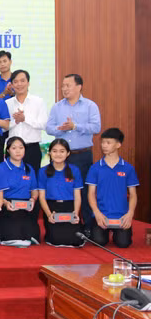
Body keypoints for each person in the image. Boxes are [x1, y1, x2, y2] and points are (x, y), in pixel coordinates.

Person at [46, 74, 101, 229]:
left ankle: (88, 226)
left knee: (83, 191)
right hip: (60, 158)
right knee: (60, 189)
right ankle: (63, 224)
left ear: (79, 86)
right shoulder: (57, 107)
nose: (64, 89)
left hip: (82, 155)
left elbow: (96, 127)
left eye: (68, 85)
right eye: (62, 86)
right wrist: (60, 129)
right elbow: (49, 128)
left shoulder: (90, 106)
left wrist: (75, 126)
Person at [87, 128, 138, 248]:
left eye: (108, 143)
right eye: (103, 142)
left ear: (118, 145)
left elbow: (133, 194)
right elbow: (91, 194)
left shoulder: (128, 168)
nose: (104, 146)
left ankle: (118, 234)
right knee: (99, 242)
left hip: (121, 216)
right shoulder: (95, 168)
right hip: (101, 215)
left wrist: (130, 214)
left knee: (123, 244)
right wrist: (97, 213)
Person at [39, 138, 84, 247]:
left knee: (75, 240)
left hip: (70, 207)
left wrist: (75, 213)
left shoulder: (75, 170)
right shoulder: (43, 171)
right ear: (50, 153)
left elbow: (77, 195)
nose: (58, 154)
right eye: (54, 151)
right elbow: (41, 197)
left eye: (62, 151)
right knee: (56, 240)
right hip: (52, 207)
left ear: (68, 153)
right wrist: (49, 215)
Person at [0, 136, 40, 248]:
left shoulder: (29, 168)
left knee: (32, 236)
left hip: (26, 206)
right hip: (7, 205)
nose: (18, 151)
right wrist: (5, 203)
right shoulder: (1, 168)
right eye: (14, 148)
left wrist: (32, 199)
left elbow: (34, 190)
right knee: (15, 235)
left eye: (21, 148)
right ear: (8, 150)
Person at [6, 70, 48, 175]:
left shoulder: (38, 101)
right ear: (11, 84)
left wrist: (25, 119)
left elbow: (43, 124)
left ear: (28, 83)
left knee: (32, 183)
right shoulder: (7, 103)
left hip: (32, 149)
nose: (19, 84)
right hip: (12, 150)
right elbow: (3, 127)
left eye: (22, 81)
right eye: (15, 82)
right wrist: (15, 121)